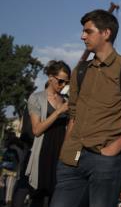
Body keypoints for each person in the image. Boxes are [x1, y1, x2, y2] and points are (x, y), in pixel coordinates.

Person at [50, 10, 121, 207]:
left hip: (106, 162)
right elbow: (73, 115)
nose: (82, 36)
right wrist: (66, 150)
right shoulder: (80, 71)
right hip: (71, 161)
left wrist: (114, 149)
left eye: (88, 31)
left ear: (106, 33)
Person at [25, 60, 70, 206]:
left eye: (66, 83)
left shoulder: (65, 100)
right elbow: (37, 130)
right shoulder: (36, 98)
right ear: (51, 77)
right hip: (43, 153)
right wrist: (59, 111)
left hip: (61, 155)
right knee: (38, 198)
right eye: (61, 81)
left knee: (57, 198)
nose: (63, 86)